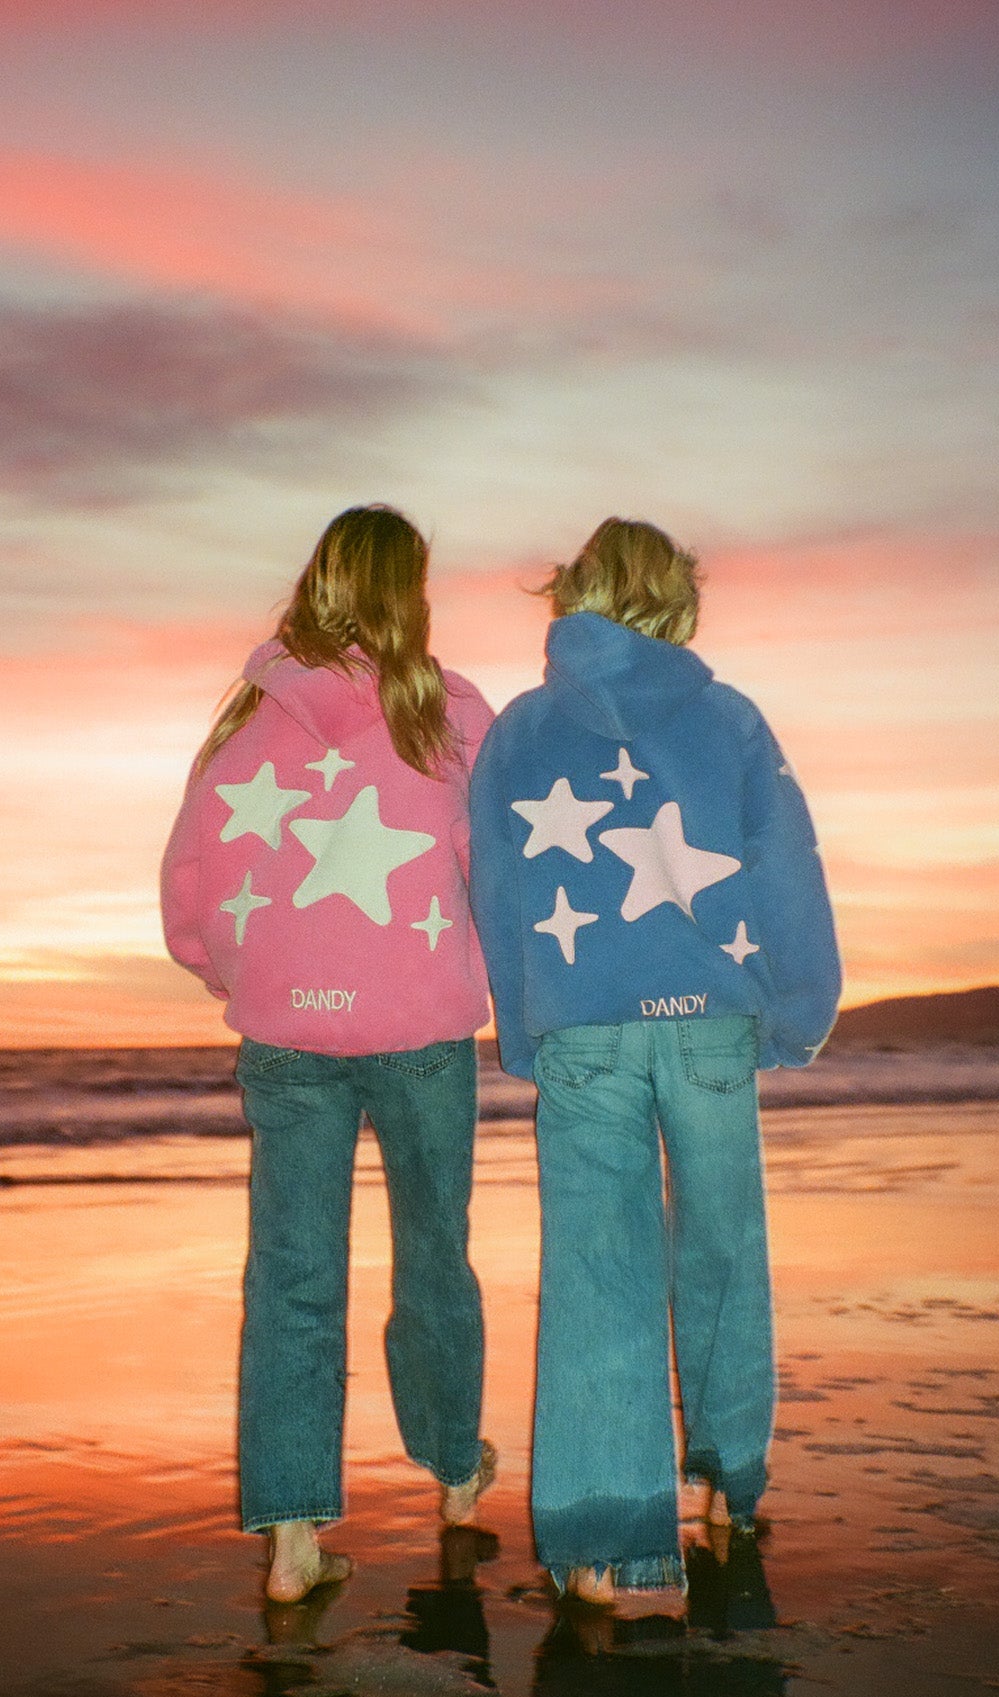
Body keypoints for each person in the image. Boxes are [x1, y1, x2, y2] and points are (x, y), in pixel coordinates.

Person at [468, 517, 840, 1603]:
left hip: (581, 1024)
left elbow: (497, 889)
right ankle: (728, 1480)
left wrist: (521, 1025)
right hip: (711, 1020)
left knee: (597, 1272)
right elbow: (786, 865)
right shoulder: (728, 717)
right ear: (676, 598)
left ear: (573, 594)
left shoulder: (521, 730)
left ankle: (598, 1544)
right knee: (722, 1249)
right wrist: (799, 1010)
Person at [161, 505, 497, 1602]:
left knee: (292, 1278)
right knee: (434, 1256)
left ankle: (294, 1540)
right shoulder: (450, 714)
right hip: (422, 1032)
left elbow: (188, 885)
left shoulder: (247, 723)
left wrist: (240, 975)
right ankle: (454, 1471)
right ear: (408, 594)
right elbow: (494, 863)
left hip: (286, 1038)